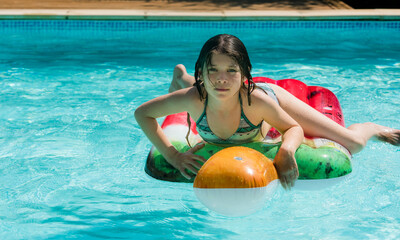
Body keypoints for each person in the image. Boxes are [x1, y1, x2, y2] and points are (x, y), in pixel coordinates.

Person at [135, 34, 400, 190]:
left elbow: (292, 128)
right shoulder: (196, 98)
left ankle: (372, 128)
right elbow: (142, 114)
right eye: (212, 69)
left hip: (271, 97)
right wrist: (173, 156)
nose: (221, 78)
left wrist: (286, 150)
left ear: (244, 74)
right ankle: (182, 76)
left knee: (353, 144)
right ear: (202, 72)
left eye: (231, 70)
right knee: (200, 90)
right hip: (206, 94)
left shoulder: (256, 102)